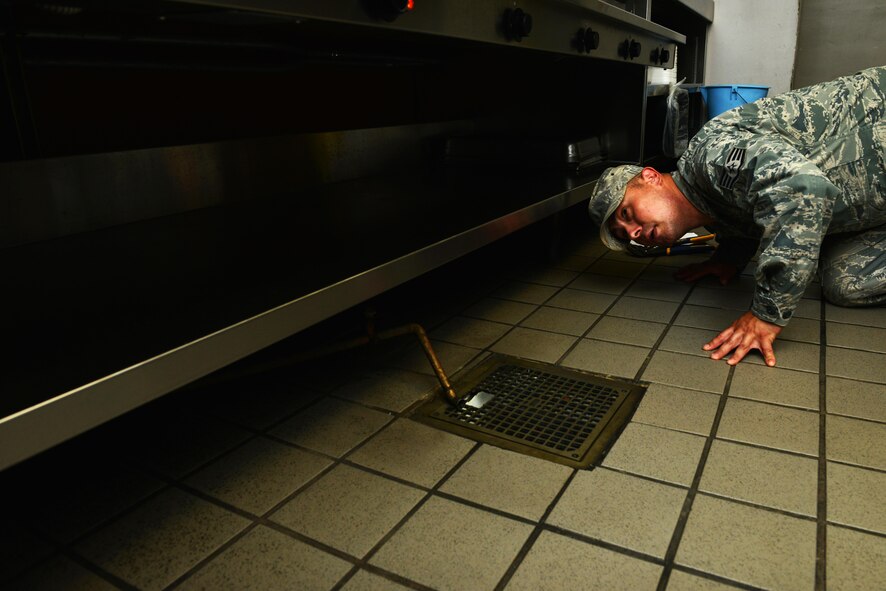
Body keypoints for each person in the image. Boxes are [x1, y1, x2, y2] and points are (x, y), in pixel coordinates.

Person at [588, 65, 886, 367]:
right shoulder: (707, 201)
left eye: (627, 213)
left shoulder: (710, 157)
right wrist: (729, 258)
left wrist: (766, 315)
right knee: (846, 283)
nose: (634, 232)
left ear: (651, 177)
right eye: (626, 235)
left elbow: (803, 189)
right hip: (873, 198)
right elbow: (746, 201)